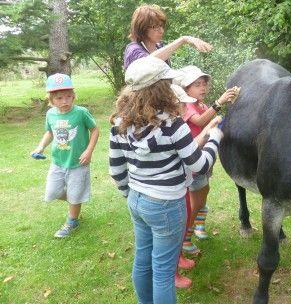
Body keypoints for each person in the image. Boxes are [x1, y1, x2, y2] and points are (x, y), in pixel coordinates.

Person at [109, 56, 223, 304]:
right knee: (162, 271)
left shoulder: (119, 122)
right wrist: (214, 138)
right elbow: (200, 165)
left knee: (142, 260)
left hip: (137, 201)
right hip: (167, 206)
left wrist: (131, 195)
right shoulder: (173, 125)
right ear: (162, 87)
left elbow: (116, 169)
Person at [176, 65, 238, 255]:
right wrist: (219, 102)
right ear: (186, 89)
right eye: (197, 85)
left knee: (204, 193)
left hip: (204, 160)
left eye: (204, 84)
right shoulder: (187, 106)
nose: (202, 88)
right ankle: (185, 238)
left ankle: (198, 227)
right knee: (196, 201)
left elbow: (211, 118)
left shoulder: (202, 105)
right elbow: (201, 121)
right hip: (193, 164)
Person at [31, 73, 100, 238]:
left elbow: (95, 130)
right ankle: (76, 200)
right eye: (60, 98)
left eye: (69, 97)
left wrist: (89, 150)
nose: (65, 101)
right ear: (51, 99)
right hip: (58, 162)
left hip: (78, 162)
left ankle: (72, 221)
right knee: (52, 193)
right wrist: (41, 147)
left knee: (75, 195)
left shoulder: (81, 112)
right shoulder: (51, 114)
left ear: (74, 96)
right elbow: (50, 132)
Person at [123, 4, 213, 70]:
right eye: (155, 27)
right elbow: (148, 64)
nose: (161, 31)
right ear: (142, 27)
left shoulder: (159, 47)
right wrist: (183, 40)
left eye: (161, 26)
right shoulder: (134, 49)